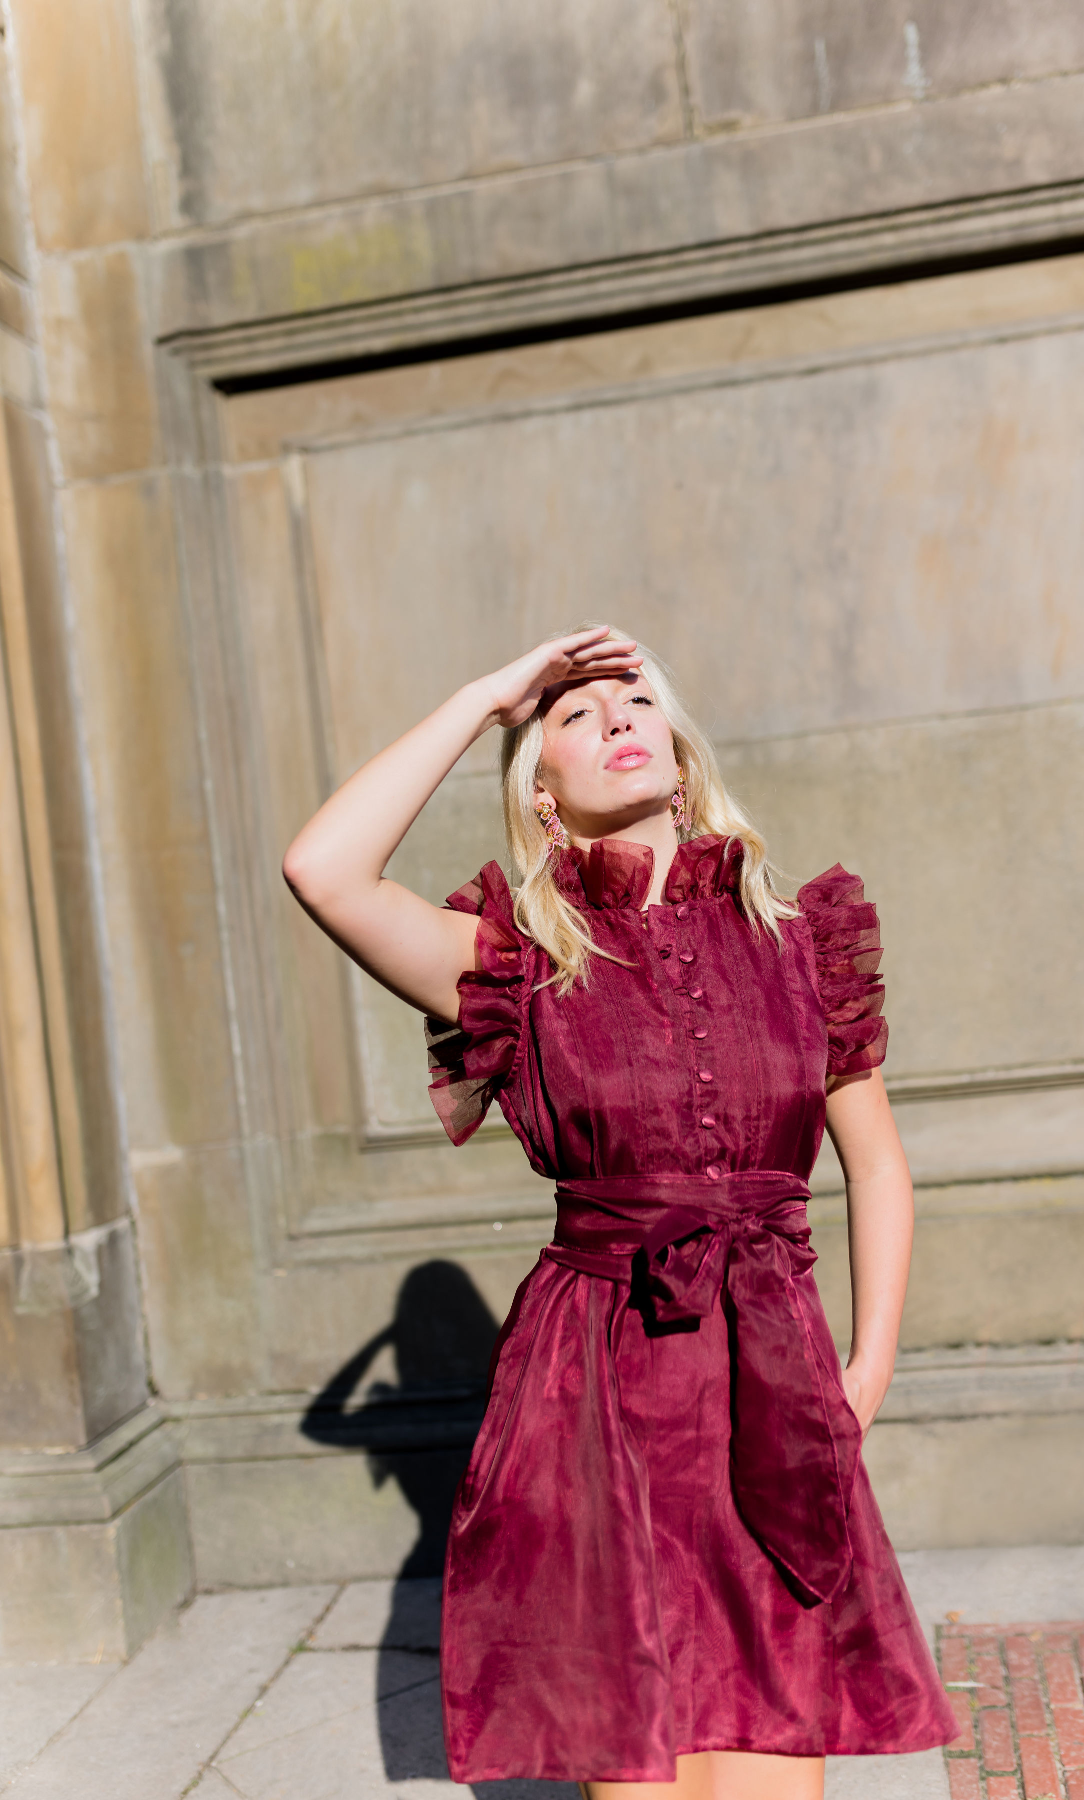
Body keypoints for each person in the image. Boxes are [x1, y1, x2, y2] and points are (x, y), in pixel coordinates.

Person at [283, 624, 956, 1800]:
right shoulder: (515, 961)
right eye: (576, 717)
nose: (615, 720)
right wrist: (487, 697)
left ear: (681, 758)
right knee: (643, 1765)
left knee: (777, 1751)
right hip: (594, 1387)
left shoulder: (803, 944)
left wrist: (869, 1364)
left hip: (769, 1374)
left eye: (637, 701)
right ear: (540, 792)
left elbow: (879, 1164)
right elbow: (324, 870)